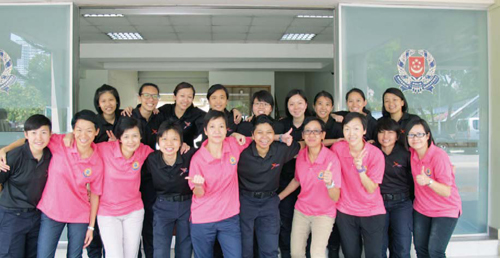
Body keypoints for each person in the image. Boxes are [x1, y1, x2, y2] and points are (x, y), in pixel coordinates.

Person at [0, 110, 104, 258]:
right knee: (43, 254)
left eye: (89, 130)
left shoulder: (97, 160)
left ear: (96, 132)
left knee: (75, 255)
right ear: (73, 130)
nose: (84, 135)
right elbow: (31, 138)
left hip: (79, 213)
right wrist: (4, 150)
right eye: (79, 130)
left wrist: (91, 226)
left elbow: (95, 194)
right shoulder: (60, 143)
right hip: (51, 210)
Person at [186, 110, 249, 258]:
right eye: (212, 127)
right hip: (203, 219)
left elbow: (260, 139)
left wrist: (280, 138)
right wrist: (199, 186)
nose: (217, 131)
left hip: (229, 217)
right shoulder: (198, 159)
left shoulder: (233, 144)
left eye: (221, 126)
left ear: (226, 129)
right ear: (205, 130)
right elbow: (198, 193)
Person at [238, 115, 300, 258]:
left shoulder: (280, 149)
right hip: (245, 201)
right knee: (245, 249)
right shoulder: (242, 152)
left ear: (274, 135)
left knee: (270, 249)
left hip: (269, 202)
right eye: (260, 132)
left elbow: (303, 146)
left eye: (269, 132)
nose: (264, 137)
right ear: (252, 135)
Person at [279, 117, 341, 258]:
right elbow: (297, 180)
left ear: (323, 135)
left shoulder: (331, 159)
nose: (311, 135)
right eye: (307, 131)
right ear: (302, 135)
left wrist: (329, 183)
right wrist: (279, 197)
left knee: (317, 254)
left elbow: (335, 197)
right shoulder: (301, 155)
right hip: (302, 211)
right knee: (296, 253)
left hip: (323, 214)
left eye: (316, 131)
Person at [93, 117, 153, 258]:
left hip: (134, 211)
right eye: (126, 136)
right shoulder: (104, 149)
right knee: (115, 255)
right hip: (108, 212)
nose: (131, 141)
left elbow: (165, 153)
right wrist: (70, 135)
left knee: (131, 255)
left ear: (141, 137)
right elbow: (83, 147)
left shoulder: (144, 151)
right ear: (119, 137)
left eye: (135, 136)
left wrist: (183, 146)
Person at [330, 112, 386, 258]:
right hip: (346, 211)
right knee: (350, 254)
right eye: (347, 129)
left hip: (371, 212)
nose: (351, 133)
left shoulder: (375, 154)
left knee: (374, 254)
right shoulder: (338, 149)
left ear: (364, 130)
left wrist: (360, 169)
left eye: (356, 128)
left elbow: (371, 188)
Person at [406, 119, 462, 258]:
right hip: (422, 209)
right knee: (421, 249)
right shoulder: (412, 153)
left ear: (427, 136)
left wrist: (428, 181)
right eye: (411, 135)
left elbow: (446, 191)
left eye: (419, 134)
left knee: (435, 251)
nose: (415, 138)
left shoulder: (438, 156)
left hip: (445, 209)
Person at [142, 119, 197, 258]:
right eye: (164, 139)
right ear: (158, 141)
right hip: (162, 206)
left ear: (181, 142)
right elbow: (145, 182)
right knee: (160, 250)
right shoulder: (151, 159)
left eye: (174, 139)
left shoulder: (189, 155)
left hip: (186, 205)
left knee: (184, 248)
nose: (169, 144)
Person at [0, 115, 52, 258]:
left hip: (36, 216)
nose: (38, 138)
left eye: (43, 132)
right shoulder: (13, 157)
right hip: (12, 216)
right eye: (33, 133)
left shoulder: (51, 155)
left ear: (50, 135)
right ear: (26, 135)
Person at [88, 83, 123, 257]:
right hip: (97, 179)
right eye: (103, 101)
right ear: (98, 103)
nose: (108, 104)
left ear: (117, 101)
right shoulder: (93, 123)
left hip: (120, 182)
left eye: (111, 99)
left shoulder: (125, 119)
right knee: (95, 229)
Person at [277, 89, 312, 258]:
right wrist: (302, 146)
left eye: (299, 103)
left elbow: (318, 142)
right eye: (291, 104)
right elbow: (273, 143)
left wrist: (294, 147)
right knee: (286, 221)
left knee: (308, 223)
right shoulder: (282, 125)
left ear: (306, 104)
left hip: (310, 183)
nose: (296, 107)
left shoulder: (313, 124)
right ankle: (285, 253)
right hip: (285, 180)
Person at [375, 118, 413, 258]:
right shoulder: (372, 152)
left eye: (390, 132)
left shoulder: (405, 154)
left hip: (401, 204)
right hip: (378, 203)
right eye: (382, 132)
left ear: (397, 135)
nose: (385, 137)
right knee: (379, 248)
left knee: (402, 248)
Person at [158, 82, 207, 147]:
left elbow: (207, 133)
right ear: (174, 97)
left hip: (187, 153)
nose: (185, 100)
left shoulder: (198, 114)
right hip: (166, 151)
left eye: (189, 97)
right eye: (182, 96)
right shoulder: (165, 110)